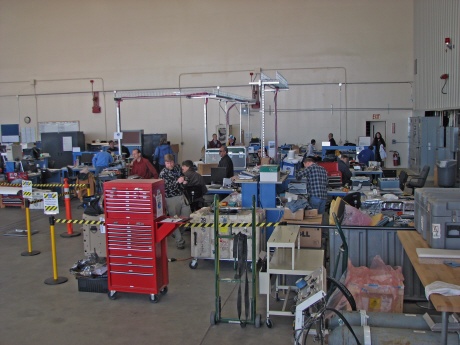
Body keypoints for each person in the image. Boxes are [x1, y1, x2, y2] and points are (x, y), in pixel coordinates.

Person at [159, 154, 189, 249]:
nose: (170, 164)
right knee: (174, 219)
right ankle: (179, 241)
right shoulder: (163, 173)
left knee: (187, 216)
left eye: (171, 162)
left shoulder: (177, 168)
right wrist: (177, 182)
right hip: (171, 198)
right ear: (165, 163)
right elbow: (166, 188)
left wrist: (185, 180)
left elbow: (184, 177)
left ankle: (176, 232)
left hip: (181, 196)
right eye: (168, 163)